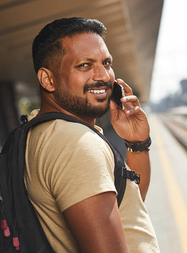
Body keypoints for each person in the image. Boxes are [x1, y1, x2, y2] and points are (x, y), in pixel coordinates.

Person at [24, 17, 159, 252]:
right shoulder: (74, 144)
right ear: (48, 79)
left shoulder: (41, 130)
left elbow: (127, 208)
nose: (103, 76)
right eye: (85, 65)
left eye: (106, 63)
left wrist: (137, 143)